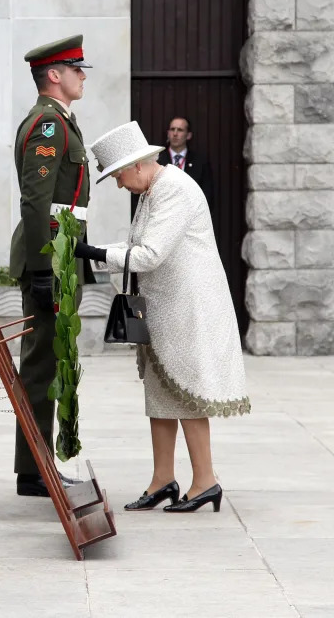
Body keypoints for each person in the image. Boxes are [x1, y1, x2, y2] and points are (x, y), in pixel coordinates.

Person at [74, 121, 250, 513]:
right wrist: (96, 249)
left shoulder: (174, 190)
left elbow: (150, 255)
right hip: (164, 307)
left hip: (188, 308)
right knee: (159, 391)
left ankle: (206, 481)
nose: (118, 184)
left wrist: (95, 255)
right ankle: (163, 479)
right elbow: (138, 246)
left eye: (117, 175)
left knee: (185, 391)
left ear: (137, 165)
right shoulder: (155, 189)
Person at [9, 34, 96, 497]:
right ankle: (34, 468)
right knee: (43, 362)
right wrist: (45, 269)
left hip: (62, 250)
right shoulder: (47, 125)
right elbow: (35, 201)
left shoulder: (60, 121)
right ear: (54, 75)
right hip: (50, 256)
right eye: (76, 68)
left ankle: (39, 463)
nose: (83, 75)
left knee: (52, 357)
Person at [130, 116, 214, 219]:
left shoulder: (200, 162)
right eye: (172, 129)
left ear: (188, 135)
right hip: (161, 217)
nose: (175, 133)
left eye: (180, 130)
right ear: (168, 133)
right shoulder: (155, 160)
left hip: (190, 218)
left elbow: (206, 194)